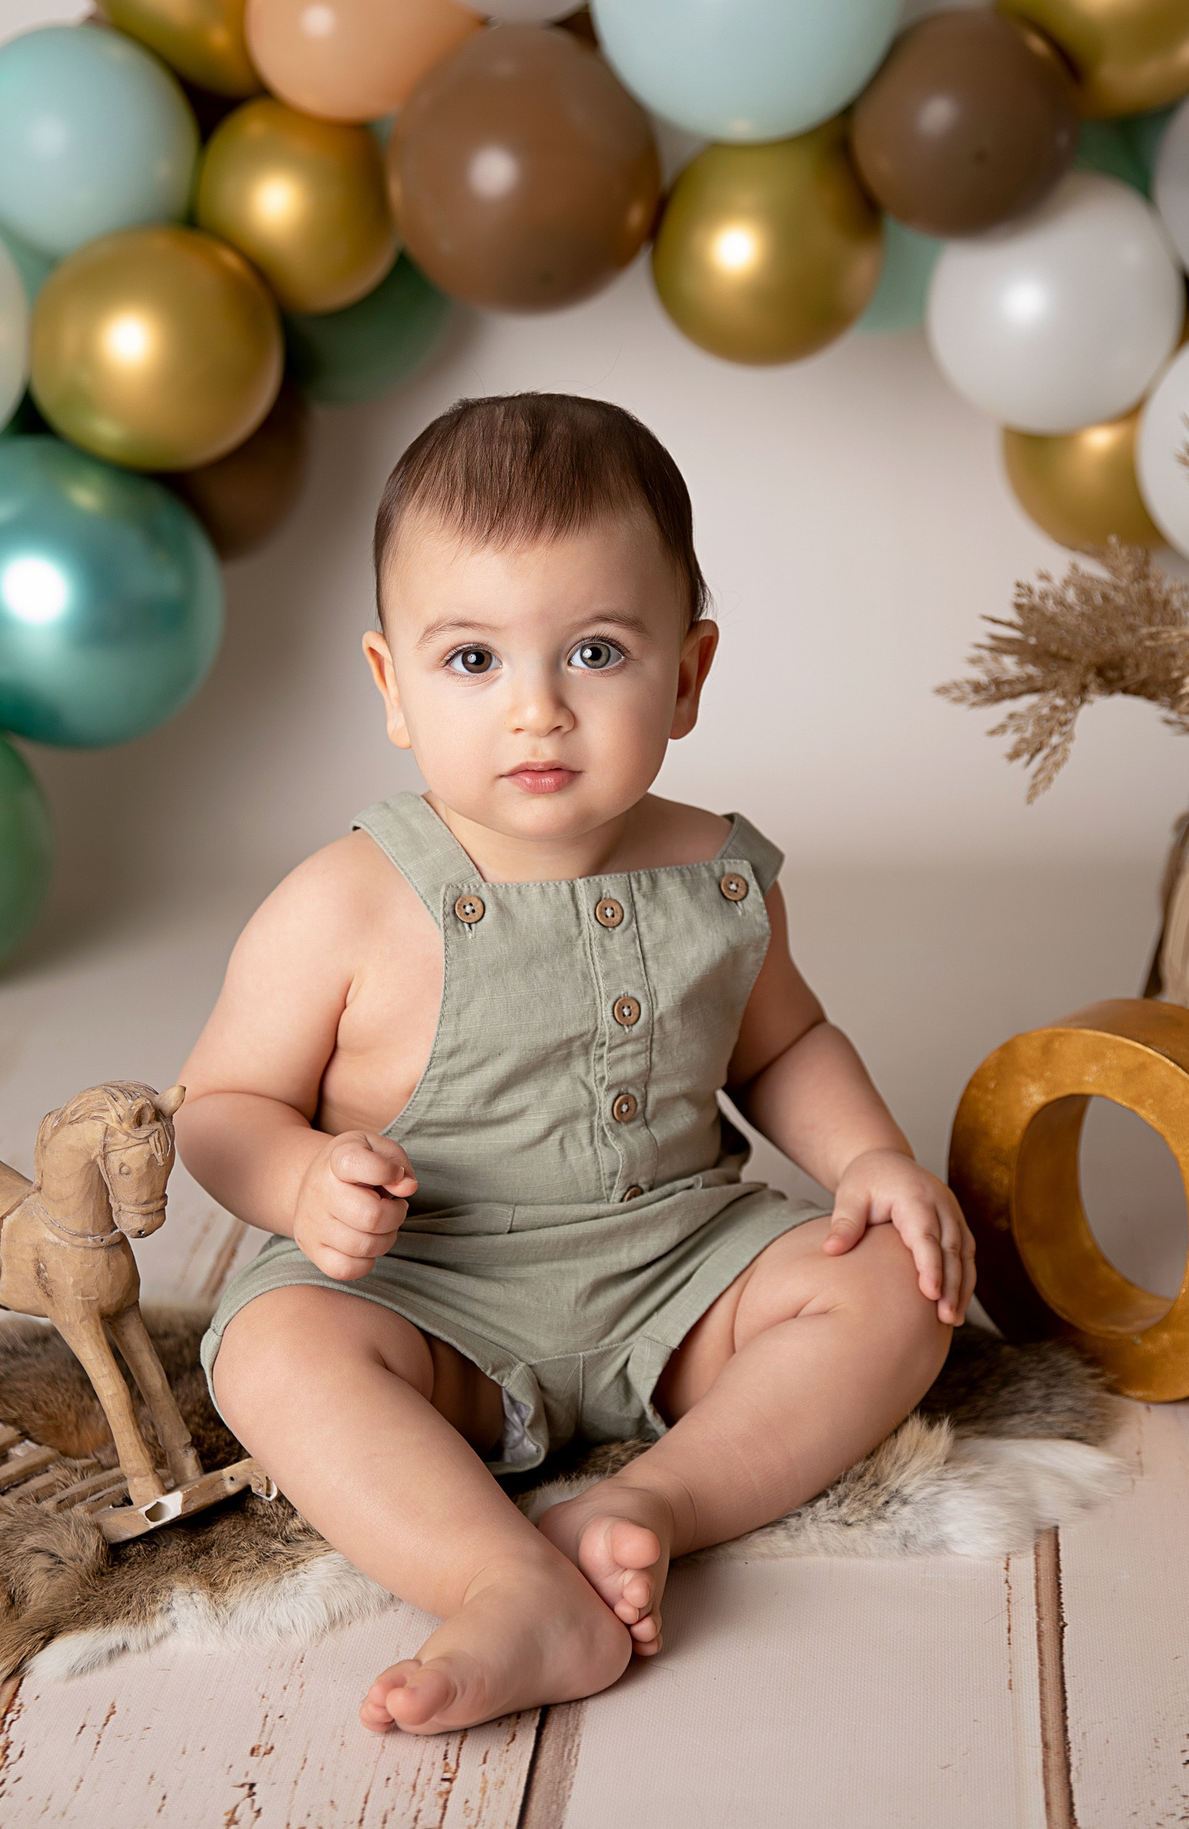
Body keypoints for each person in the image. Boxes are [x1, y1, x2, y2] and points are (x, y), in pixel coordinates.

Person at [175, 393, 973, 1736]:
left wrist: (872, 1159)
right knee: (273, 1348)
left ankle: (653, 1499)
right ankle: (504, 1582)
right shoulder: (348, 901)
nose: (537, 710)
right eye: (473, 660)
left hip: (678, 1269)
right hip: (429, 1293)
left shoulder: (717, 870)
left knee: (903, 1287)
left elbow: (786, 1046)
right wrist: (304, 1174)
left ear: (689, 673)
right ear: (390, 686)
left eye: (595, 651)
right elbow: (217, 1111)